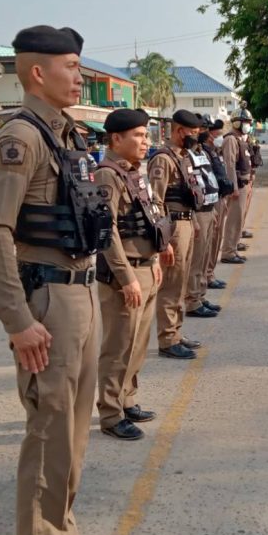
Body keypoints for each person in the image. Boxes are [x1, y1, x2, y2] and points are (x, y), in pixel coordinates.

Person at [0, 25, 113, 535]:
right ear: (38, 72)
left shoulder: (67, 134)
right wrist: (19, 321)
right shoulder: (21, 137)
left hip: (82, 290)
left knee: (75, 427)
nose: (80, 77)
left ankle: (61, 530)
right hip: (48, 300)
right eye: (72, 66)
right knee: (48, 425)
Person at [94, 108, 173, 441]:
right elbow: (107, 230)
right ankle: (111, 413)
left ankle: (127, 399)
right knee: (118, 347)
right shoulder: (107, 175)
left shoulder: (133, 173)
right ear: (117, 138)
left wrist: (158, 252)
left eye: (146, 135)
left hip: (146, 267)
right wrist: (126, 278)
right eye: (139, 136)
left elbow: (150, 214)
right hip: (124, 274)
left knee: (137, 344)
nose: (146, 142)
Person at [149, 109, 207, 359]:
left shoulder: (182, 156)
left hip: (185, 221)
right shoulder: (163, 159)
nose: (195, 137)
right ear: (179, 131)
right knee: (171, 284)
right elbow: (155, 200)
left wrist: (193, 221)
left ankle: (175, 332)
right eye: (192, 132)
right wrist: (164, 240)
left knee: (181, 282)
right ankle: (167, 339)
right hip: (172, 226)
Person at [185, 115, 224, 317]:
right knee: (197, 258)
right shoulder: (185, 154)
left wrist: (213, 209)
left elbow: (207, 179)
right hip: (197, 211)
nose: (204, 133)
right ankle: (192, 300)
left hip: (209, 207)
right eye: (200, 129)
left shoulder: (201, 151)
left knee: (204, 256)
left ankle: (200, 295)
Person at [220, 108, 254, 264]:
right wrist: (233, 186)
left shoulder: (241, 139)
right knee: (233, 220)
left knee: (239, 219)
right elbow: (230, 165)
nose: (248, 125)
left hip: (243, 185)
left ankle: (233, 248)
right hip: (237, 186)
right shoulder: (231, 140)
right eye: (245, 122)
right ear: (237, 123)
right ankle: (228, 252)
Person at [205, 118, 232, 290]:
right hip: (211, 201)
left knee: (216, 240)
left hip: (219, 197)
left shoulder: (213, 151)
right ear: (210, 134)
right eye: (218, 133)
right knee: (211, 240)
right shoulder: (204, 152)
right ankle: (207, 276)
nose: (220, 136)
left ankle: (210, 273)